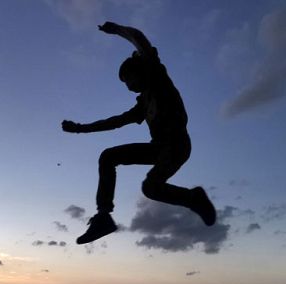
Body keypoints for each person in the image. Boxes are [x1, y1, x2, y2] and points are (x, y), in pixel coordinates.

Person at [62, 21, 217, 244]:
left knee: (150, 186)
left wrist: (116, 29)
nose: (127, 86)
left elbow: (140, 40)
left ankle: (193, 198)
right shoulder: (143, 103)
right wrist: (79, 129)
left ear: (138, 72)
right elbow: (115, 122)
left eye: (128, 80)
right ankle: (103, 216)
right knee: (111, 158)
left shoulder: (157, 78)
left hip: (177, 144)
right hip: (158, 148)